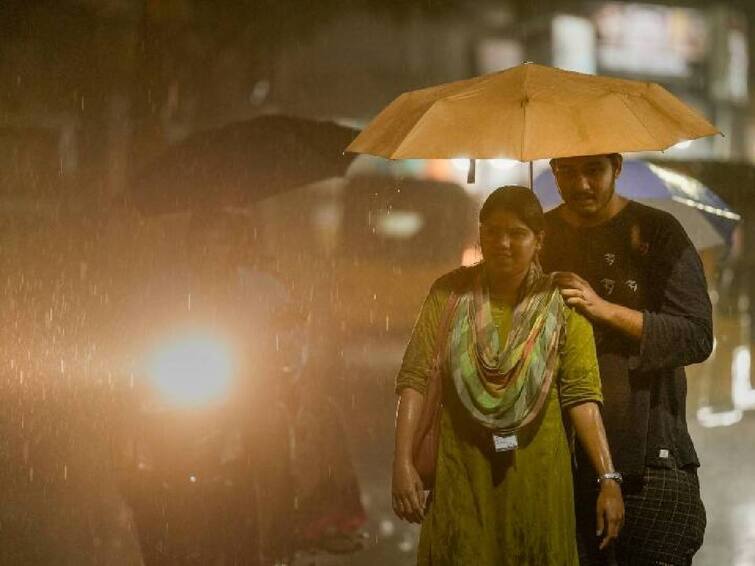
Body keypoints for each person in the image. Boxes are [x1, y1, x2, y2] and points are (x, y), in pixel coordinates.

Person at [393, 186, 624, 566]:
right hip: (462, 478)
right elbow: (414, 378)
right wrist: (401, 463)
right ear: (480, 233)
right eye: (492, 231)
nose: (502, 243)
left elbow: (582, 396)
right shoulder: (449, 292)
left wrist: (608, 479)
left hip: (538, 483)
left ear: (539, 240)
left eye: (517, 234)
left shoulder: (562, 303)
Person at [542, 153, 712, 566]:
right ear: (552, 170)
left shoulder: (658, 232)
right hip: (563, 462)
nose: (581, 184)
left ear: (616, 167)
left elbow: (696, 335)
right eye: (568, 171)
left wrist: (604, 309)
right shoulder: (541, 235)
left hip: (652, 458)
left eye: (593, 170)